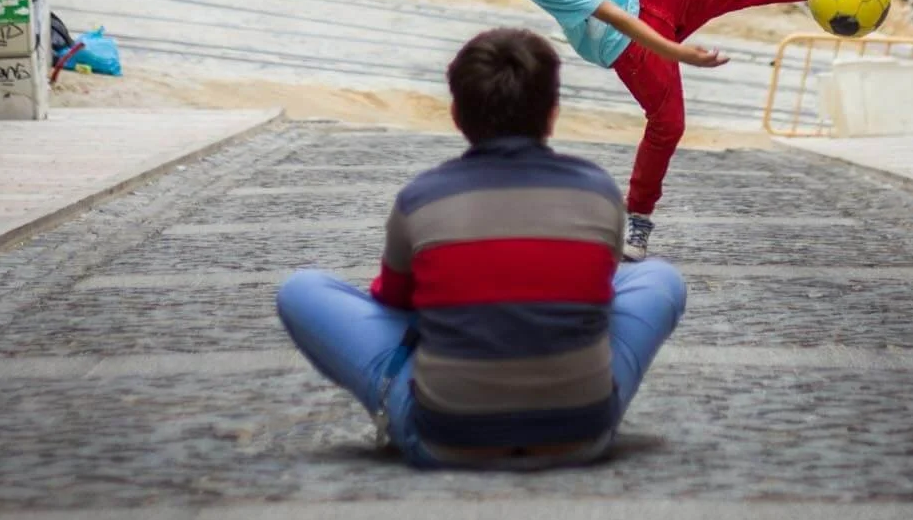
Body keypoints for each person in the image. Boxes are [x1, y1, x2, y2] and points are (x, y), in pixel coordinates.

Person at [419, 0, 894, 261]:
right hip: (626, 42)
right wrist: (679, 54)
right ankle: (639, 218)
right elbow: (617, 19)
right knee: (669, 124)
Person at [277, 27, 686, 467]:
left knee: (302, 289)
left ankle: (436, 391)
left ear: (456, 113)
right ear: (552, 112)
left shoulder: (421, 197)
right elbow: (598, 295)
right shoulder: (599, 192)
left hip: (444, 438)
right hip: (581, 434)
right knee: (659, 278)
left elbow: (395, 301)